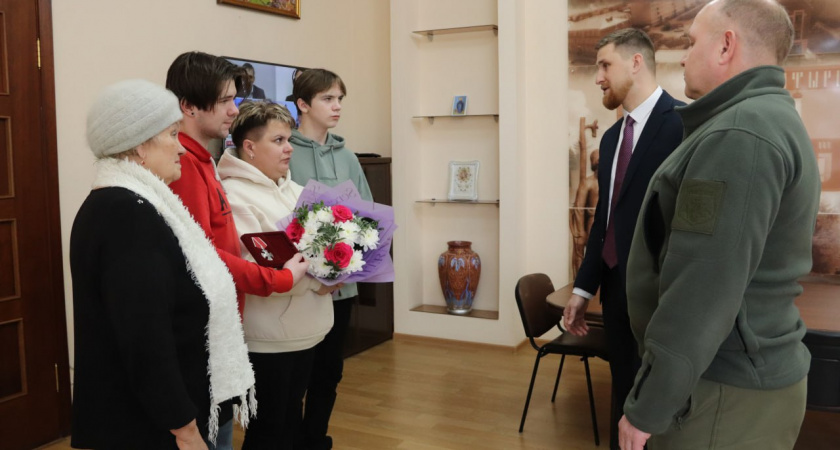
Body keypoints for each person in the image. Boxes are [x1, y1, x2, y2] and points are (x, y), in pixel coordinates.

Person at [619, 1, 821, 449]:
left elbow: (701, 289)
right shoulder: (766, 119)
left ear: (726, 46)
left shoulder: (740, 134)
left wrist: (650, 404)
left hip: (720, 394)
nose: (683, 57)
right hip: (734, 386)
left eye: (691, 43)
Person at [70, 79, 255, 449]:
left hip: (153, 414)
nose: (181, 147)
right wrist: (184, 427)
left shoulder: (125, 204)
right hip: (150, 426)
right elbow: (145, 336)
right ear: (140, 145)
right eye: (172, 134)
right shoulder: (127, 214)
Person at [165, 51, 309, 447]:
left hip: (222, 325)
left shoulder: (202, 160)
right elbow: (203, 257)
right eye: (226, 100)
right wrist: (279, 279)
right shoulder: (184, 166)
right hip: (204, 331)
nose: (234, 109)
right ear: (189, 106)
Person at [562, 28, 685, 450]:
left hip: (663, 297)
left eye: (604, 65)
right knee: (623, 396)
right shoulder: (613, 138)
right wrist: (583, 289)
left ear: (636, 63)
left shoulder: (684, 125)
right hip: (615, 295)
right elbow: (605, 221)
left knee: (661, 413)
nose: (598, 77)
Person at [217, 101, 338, 448]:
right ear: (250, 147)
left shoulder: (298, 191)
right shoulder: (234, 196)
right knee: (268, 430)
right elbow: (257, 270)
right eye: (278, 140)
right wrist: (316, 281)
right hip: (267, 337)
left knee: (291, 425)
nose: (289, 148)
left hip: (307, 330)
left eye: (289, 140)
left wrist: (339, 269)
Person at [289, 67, 373, 450]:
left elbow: (367, 218)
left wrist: (344, 268)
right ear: (303, 104)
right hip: (299, 287)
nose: (337, 106)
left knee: (329, 372)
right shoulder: (285, 151)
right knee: (296, 376)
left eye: (340, 98)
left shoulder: (349, 157)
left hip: (342, 287)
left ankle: (315, 440)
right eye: (327, 98)